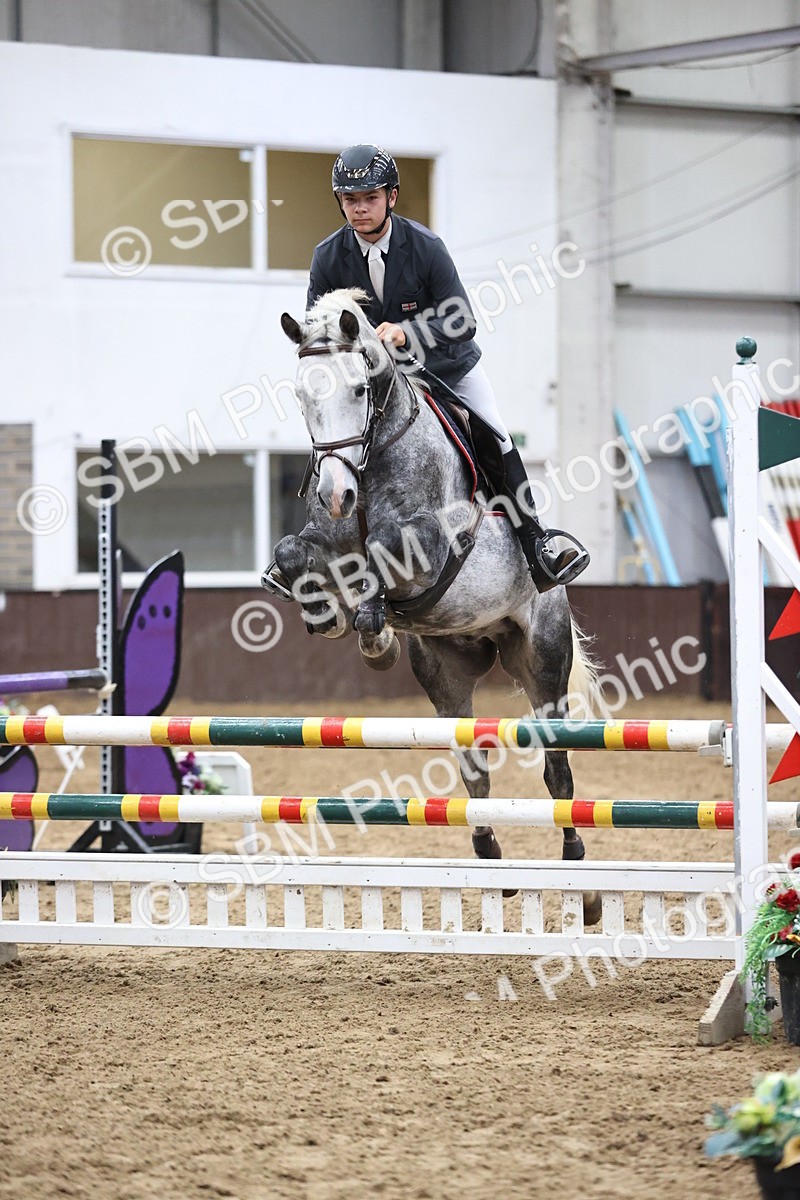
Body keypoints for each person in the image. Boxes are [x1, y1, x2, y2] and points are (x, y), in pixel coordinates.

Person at [306, 143, 589, 592]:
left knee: (494, 433)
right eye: (350, 199)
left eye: (370, 198)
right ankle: (314, 546)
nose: (359, 209)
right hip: (376, 383)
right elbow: (319, 329)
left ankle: (537, 543)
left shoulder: (424, 246)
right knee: (335, 436)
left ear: (392, 197)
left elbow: (464, 320)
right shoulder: (328, 257)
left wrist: (405, 333)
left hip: (443, 367)